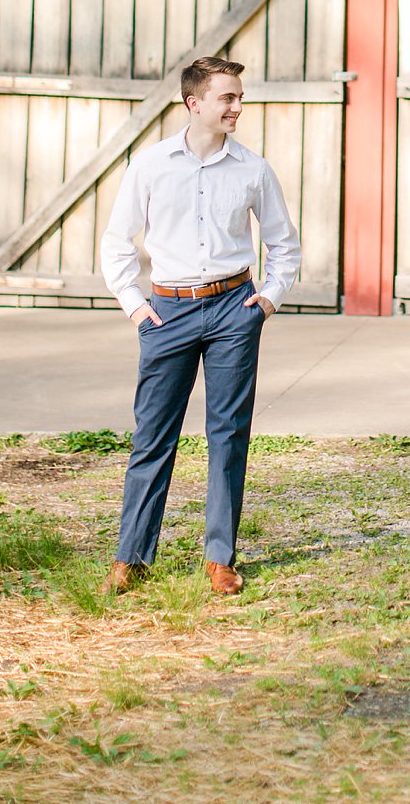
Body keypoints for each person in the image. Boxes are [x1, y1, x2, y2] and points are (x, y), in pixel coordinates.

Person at [99, 56, 300, 595]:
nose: (238, 107)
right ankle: (132, 555)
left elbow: (284, 245)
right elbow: (117, 243)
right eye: (227, 98)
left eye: (239, 97)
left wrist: (268, 302)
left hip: (235, 308)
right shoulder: (150, 165)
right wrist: (137, 309)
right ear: (195, 103)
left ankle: (220, 556)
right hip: (167, 312)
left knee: (228, 435)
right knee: (152, 436)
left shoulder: (254, 169)